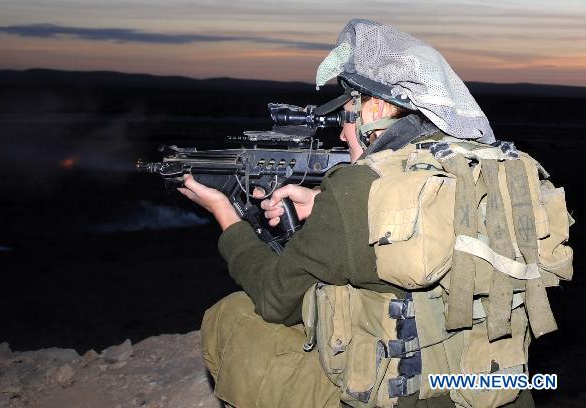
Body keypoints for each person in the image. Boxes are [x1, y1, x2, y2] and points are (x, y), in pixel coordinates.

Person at [179, 19, 569, 408]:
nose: (342, 130)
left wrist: (226, 216)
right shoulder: (501, 169)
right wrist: (324, 206)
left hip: (405, 398)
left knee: (231, 316)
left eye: (348, 112)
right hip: (492, 389)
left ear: (378, 108)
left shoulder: (355, 189)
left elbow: (273, 297)